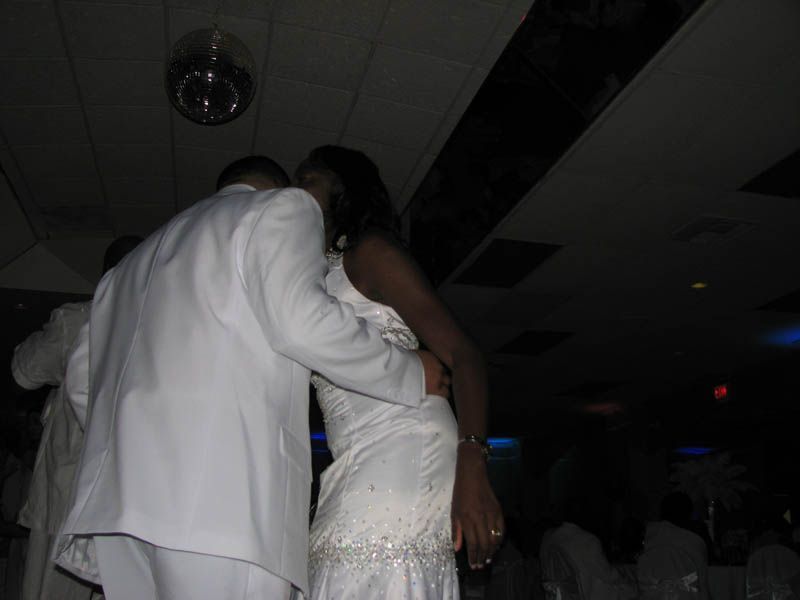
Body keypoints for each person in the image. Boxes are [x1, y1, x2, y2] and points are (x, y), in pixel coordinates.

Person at [53, 156, 450, 600]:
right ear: (277, 187)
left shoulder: (126, 269)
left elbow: (80, 379)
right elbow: (301, 321)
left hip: (121, 512)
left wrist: (136, 442)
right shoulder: (282, 209)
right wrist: (408, 369)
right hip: (221, 506)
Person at [298, 145, 503, 599]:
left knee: (370, 568)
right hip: (353, 453)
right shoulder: (311, 273)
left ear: (342, 188)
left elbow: (464, 355)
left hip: (404, 438)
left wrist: (473, 465)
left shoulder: (368, 252)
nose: (297, 191)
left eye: (308, 178)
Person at [11, 236, 141, 600]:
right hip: (124, 498)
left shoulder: (79, 320)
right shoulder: (162, 327)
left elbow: (23, 372)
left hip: (68, 493)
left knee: (51, 591)